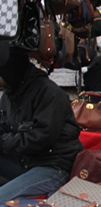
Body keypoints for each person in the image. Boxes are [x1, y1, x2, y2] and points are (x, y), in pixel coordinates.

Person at [0, 47, 83, 203]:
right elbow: (4, 126)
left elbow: (43, 137)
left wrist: (4, 141)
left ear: (8, 70)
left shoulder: (48, 92)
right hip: (26, 161)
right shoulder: (10, 94)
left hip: (53, 166)